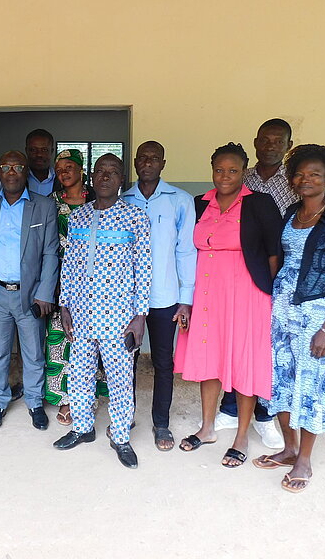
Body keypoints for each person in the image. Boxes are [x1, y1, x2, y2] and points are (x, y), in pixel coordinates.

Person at [255, 145, 325, 493]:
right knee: (281, 378)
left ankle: (304, 459)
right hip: (283, 311)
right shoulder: (290, 212)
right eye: (299, 174)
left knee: (312, 384)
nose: (305, 179)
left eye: (315, 174)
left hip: (319, 314)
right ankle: (289, 448)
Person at [175, 143, 282, 468]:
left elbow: (274, 253)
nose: (225, 176)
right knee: (209, 357)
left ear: (243, 172)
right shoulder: (199, 203)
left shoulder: (259, 203)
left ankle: (241, 437)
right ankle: (207, 428)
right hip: (207, 294)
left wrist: (265, 292)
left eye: (233, 170)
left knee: (245, 361)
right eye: (219, 169)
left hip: (247, 295)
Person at [52, 154, 151, 469]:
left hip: (118, 315)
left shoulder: (135, 217)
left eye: (113, 172)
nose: (106, 177)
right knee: (80, 374)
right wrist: (65, 304)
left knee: (120, 379)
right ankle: (82, 428)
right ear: (92, 177)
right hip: (81, 312)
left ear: (122, 179)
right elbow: (69, 266)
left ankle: (120, 437)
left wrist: (140, 316)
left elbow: (143, 268)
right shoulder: (79, 216)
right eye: (100, 171)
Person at [217, 119, 296, 447]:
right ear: (255, 142)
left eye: (278, 141)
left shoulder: (295, 181)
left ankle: (264, 415)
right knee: (238, 341)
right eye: (265, 139)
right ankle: (230, 407)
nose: (270, 145)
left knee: (267, 347)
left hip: (281, 269)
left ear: (288, 146)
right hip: (243, 271)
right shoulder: (240, 175)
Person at [122, 141, 196, 451]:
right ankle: (124, 417)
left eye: (154, 158)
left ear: (163, 163)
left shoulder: (180, 200)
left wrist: (186, 298)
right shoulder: (122, 200)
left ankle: (161, 422)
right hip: (126, 299)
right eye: (143, 158)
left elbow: (186, 251)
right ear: (135, 162)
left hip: (164, 297)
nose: (148, 163)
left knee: (163, 361)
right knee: (126, 359)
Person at [0, 151, 59, 430]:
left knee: (33, 352)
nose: (11, 172)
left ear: (26, 171)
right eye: (5, 167)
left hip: (31, 292)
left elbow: (50, 252)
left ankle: (35, 402)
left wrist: (45, 293)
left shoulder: (44, 206)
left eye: (17, 167)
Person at [43, 149, 106, 426]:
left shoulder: (97, 199)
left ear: (81, 170)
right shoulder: (51, 202)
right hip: (60, 281)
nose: (64, 173)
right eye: (59, 169)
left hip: (95, 283)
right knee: (61, 338)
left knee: (91, 342)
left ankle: (87, 397)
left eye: (69, 167)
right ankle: (66, 399)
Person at [25, 128, 60, 196]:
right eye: (33, 150)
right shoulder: (17, 179)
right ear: (27, 151)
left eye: (44, 150)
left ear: (51, 151)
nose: (39, 154)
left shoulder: (61, 179)